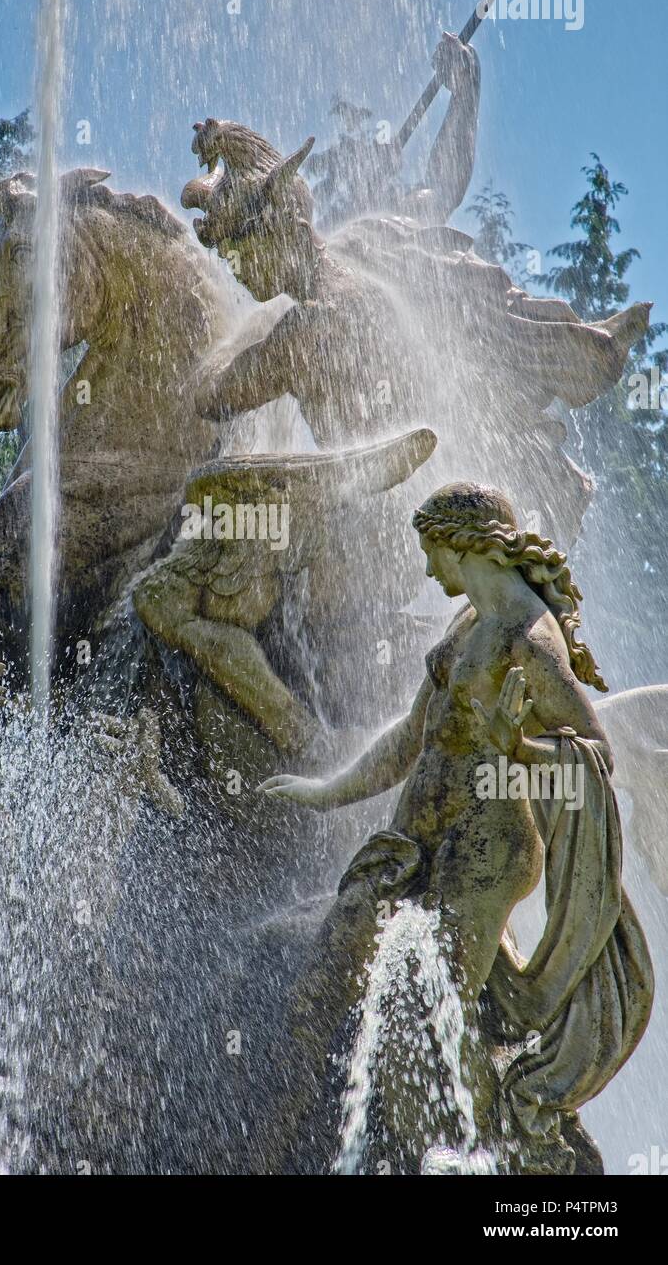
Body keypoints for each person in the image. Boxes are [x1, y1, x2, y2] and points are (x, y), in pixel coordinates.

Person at [260, 482, 653, 1172]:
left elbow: (596, 756)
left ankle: (478, 1158)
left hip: (487, 852)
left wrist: (520, 749)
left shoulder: (531, 640)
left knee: (419, 1024)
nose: (426, 570)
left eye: (430, 551)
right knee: (345, 987)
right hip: (414, 842)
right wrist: (326, 792)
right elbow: (415, 734)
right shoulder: (467, 623)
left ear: (461, 543)